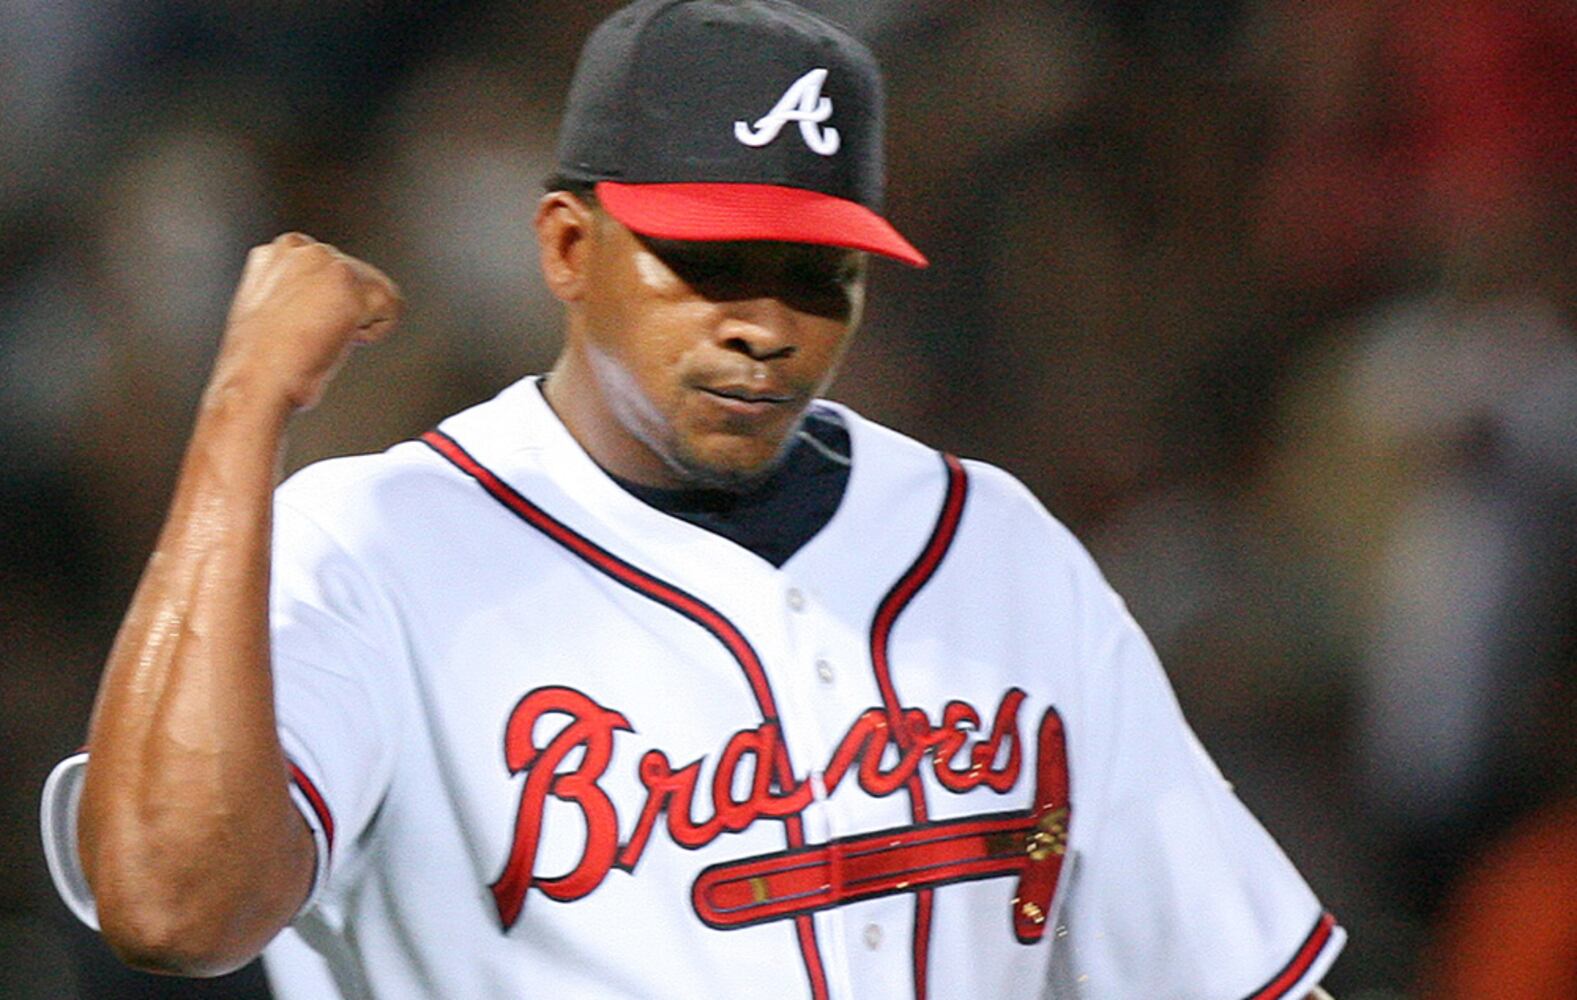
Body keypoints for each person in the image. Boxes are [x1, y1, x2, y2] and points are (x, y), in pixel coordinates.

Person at [41, 1, 1344, 997]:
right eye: (711, 263)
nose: (764, 325)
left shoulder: (994, 546)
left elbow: (1232, 970)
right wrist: (240, 415)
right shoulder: (378, 542)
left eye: (816, 273)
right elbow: (172, 904)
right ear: (568, 246)